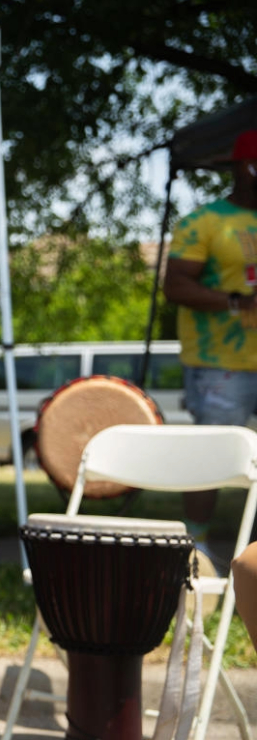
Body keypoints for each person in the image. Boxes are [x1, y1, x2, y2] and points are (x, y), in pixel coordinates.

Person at [163, 128, 257, 565]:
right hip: (220, 365)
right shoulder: (205, 222)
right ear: (244, 167)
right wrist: (237, 302)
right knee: (215, 457)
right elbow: (176, 284)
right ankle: (196, 549)